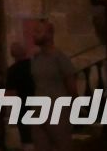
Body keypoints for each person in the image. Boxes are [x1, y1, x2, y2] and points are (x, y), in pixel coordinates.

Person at [29, 21, 77, 151]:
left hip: (57, 109)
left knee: (62, 145)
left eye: (38, 31)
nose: (34, 35)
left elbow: (72, 87)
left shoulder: (60, 58)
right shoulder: (36, 59)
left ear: (49, 34)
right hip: (39, 109)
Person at [7, 40, 36, 150]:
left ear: (12, 54)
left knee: (27, 142)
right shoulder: (35, 65)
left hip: (22, 110)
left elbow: (11, 94)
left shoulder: (12, 71)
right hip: (39, 106)